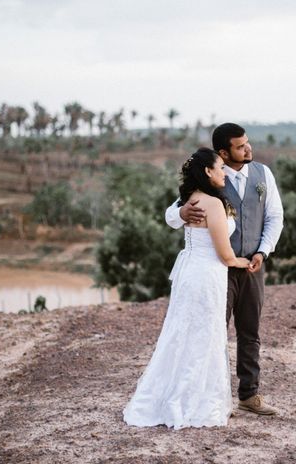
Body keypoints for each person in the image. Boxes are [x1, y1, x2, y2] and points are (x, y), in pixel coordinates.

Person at [123, 148, 250, 429]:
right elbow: (225, 254)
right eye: (219, 168)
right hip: (207, 275)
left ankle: (172, 396)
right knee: (204, 334)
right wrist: (244, 262)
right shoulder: (210, 205)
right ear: (207, 171)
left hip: (190, 272)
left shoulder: (192, 196)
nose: (224, 174)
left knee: (183, 331)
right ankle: (195, 401)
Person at [166, 123, 284, 415]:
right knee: (214, 331)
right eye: (240, 146)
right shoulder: (209, 183)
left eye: (247, 143)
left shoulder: (263, 174)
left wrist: (262, 251)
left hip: (252, 266)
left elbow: (275, 217)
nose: (248, 149)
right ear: (223, 152)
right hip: (218, 270)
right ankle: (214, 397)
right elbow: (171, 214)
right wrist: (180, 213)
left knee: (250, 331)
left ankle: (249, 395)